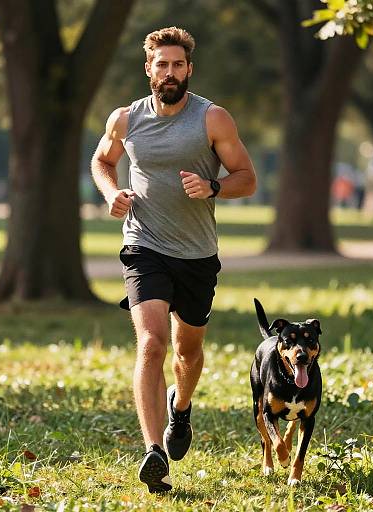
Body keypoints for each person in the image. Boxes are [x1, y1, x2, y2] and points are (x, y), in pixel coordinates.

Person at [91, 27, 256, 493]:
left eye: (177, 64)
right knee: (152, 343)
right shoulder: (125, 119)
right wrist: (111, 192)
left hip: (198, 252)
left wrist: (215, 186)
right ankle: (152, 452)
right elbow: (102, 161)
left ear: (189, 69)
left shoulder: (212, 119)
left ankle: (180, 409)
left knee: (188, 350)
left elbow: (248, 177)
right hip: (144, 244)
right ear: (148, 69)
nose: (169, 72)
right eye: (161, 64)